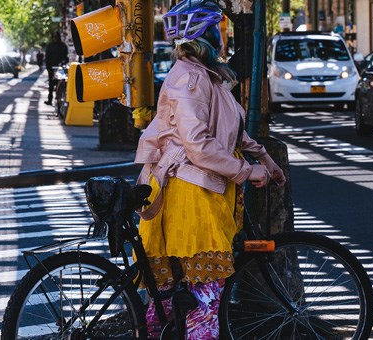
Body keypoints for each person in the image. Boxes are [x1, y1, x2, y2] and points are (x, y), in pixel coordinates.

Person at [134, 1, 286, 338]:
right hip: (190, 193)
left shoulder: (202, 75)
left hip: (192, 187)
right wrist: (246, 171)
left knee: (175, 298)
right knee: (206, 301)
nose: (224, 37)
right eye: (219, 30)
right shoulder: (191, 78)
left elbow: (227, 129)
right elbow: (198, 143)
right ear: (205, 35)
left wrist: (264, 157)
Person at [43, 31, 69, 106]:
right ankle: (50, 99)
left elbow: (65, 57)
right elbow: (47, 58)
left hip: (59, 68)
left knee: (60, 84)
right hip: (52, 68)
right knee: (51, 85)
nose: (55, 38)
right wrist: (48, 67)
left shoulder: (62, 46)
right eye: (54, 36)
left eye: (56, 36)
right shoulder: (50, 46)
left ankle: (59, 100)